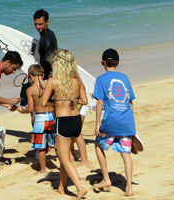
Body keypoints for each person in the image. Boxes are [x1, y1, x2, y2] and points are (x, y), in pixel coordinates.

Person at [41, 49, 88, 200]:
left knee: (64, 158)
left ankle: (79, 188)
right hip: (76, 121)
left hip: (64, 122)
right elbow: (85, 101)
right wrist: (71, 100)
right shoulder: (77, 79)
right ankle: (61, 187)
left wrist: (56, 100)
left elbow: (43, 103)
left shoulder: (53, 81)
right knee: (65, 157)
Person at [93, 48, 136, 196]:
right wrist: (131, 123)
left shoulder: (101, 79)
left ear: (103, 62)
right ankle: (129, 188)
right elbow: (130, 103)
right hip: (126, 122)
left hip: (111, 122)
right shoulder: (125, 78)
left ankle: (106, 179)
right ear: (118, 62)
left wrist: (97, 123)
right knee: (126, 154)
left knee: (98, 144)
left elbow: (99, 103)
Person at [17, 64, 55, 174]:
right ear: (43, 75)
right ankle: (62, 164)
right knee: (55, 143)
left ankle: (43, 169)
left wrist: (20, 110)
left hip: (40, 117)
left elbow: (30, 109)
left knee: (40, 145)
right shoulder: (50, 85)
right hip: (51, 116)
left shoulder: (30, 90)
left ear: (30, 75)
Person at [33, 9, 58, 79]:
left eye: (40, 24)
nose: (37, 27)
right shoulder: (46, 34)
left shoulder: (47, 37)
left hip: (48, 76)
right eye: (35, 24)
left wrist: (45, 77)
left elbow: (49, 59)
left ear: (47, 22)